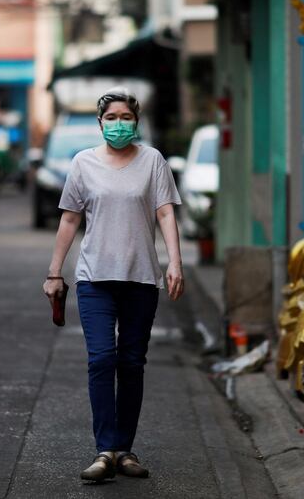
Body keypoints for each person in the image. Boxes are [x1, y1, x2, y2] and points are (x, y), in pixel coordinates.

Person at [43, 87, 184, 482]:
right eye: (112, 118)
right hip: (94, 280)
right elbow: (69, 219)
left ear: (136, 122)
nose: (119, 124)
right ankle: (104, 449)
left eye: (126, 118)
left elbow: (165, 213)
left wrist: (175, 262)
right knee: (102, 358)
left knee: (132, 363)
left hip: (140, 278)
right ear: (99, 122)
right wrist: (55, 272)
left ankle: (124, 448)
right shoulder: (83, 163)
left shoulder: (153, 161)